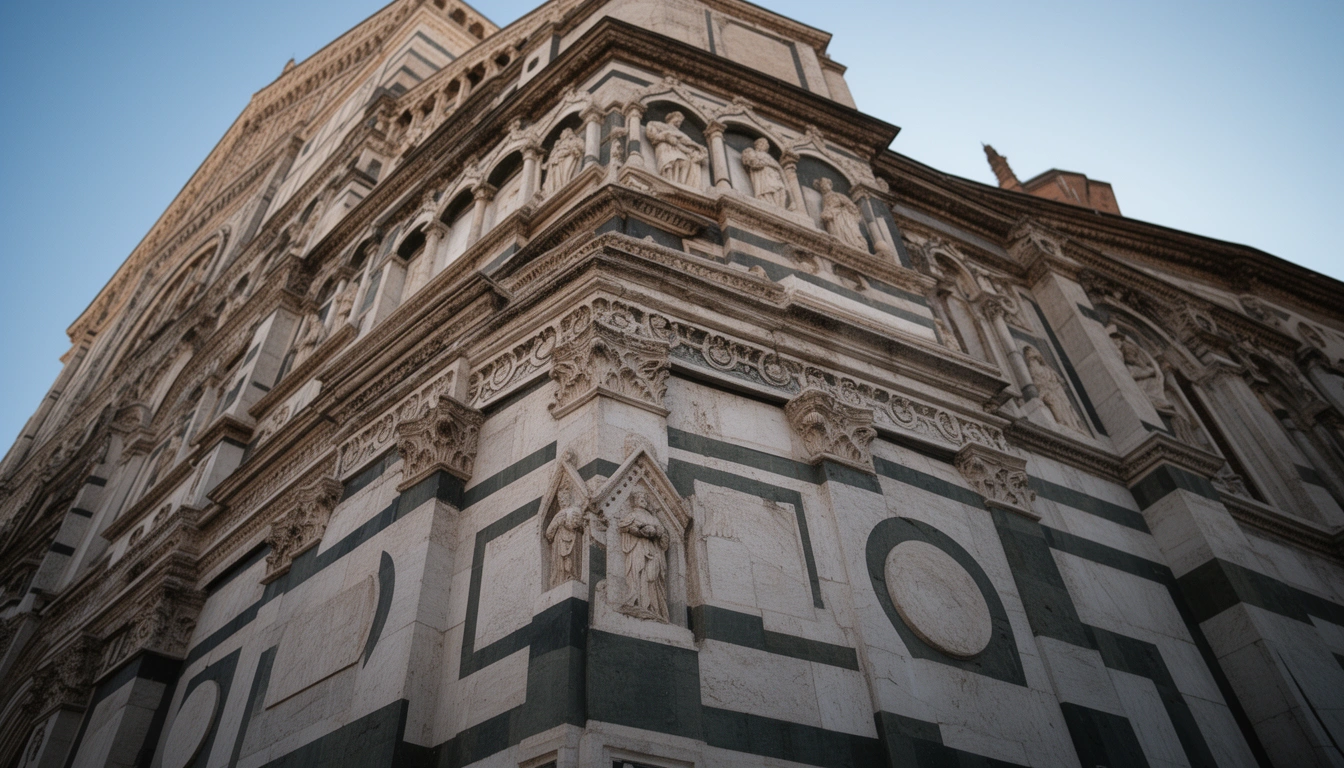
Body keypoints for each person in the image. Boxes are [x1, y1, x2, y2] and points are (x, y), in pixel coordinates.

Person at [618, 490, 670, 621]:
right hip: (638, 550)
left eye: (645, 499)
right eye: (640, 498)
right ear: (634, 501)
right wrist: (640, 531)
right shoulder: (632, 515)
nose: (644, 500)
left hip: (652, 551)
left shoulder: (653, 518)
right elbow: (624, 527)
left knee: (651, 577)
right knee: (637, 573)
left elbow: (663, 534)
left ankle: (653, 608)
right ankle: (637, 602)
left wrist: (656, 533)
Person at [644, 111, 706, 186]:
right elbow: (652, 135)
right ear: (672, 118)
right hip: (665, 146)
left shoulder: (680, 133)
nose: (679, 123)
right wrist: (665, 137)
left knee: (685, 162)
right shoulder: (657, 125)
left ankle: (681, 185)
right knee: (671, 162)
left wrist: (698, 147)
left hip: (678, 149)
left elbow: (687, 141)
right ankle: (668, 180)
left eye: (680, 122)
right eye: (677, 120)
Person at [545, 486, 585, 586]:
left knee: (571, 560)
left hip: (573, 539)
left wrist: (571, 524)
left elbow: (580, 525)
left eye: (565, 498)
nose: (562, 501)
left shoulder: (575, 510)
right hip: (559, 540)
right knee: (560, 564)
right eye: (560, 499)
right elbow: (549, 533)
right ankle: (560, 578)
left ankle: (571, 574)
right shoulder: (558, 515)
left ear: (569, 498)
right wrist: (558, 523)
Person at [815, 177, 868, 251]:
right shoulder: (824, 199)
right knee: (836, 235)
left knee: (847, 234)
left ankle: (853, 243)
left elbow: (851, 206)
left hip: (842, 218)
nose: (824, 187)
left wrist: (837, 211)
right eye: (822, 186)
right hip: (833, 220)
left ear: (830, 185)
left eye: (825, 184)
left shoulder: (837, 195)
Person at [740, 138, 788, 207]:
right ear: (756, 145)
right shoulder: (752, 152)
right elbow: (754, 163)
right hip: (763, 175)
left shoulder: (769, 156)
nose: (764, 145)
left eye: (765, 144)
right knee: (769, 190)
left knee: (781, 190)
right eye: (761, 143)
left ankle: (780, 208)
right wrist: (768, 163)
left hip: (774, 175)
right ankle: (770, 205)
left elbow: (778, 168)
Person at [542, 128, 584, 196]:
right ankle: (556, 188)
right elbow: (553, 155)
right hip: (556, 161)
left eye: (564, 132)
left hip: (567, 157)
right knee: (555, 176)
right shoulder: (557, 145)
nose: (562, 134)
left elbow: (579, 147)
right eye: (562, 133)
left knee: (566, 174)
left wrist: (571, 150)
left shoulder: (573, 140)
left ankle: (564, 184)